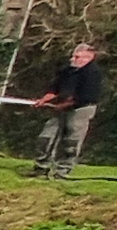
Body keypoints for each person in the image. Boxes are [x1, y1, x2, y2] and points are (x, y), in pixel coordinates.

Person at [31, 40, 106, 176]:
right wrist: (44, 100)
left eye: (77, 57)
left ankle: (63, 171)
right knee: (46, 136)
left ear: (89, 58)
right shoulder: (67, 71)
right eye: (74, 55)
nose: (73, 59)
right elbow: (55, 88)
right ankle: (41, 168)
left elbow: (85, 97)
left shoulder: (93, 73)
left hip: (81, 109)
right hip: (60, 107)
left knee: (71, 141)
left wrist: (63, 105)